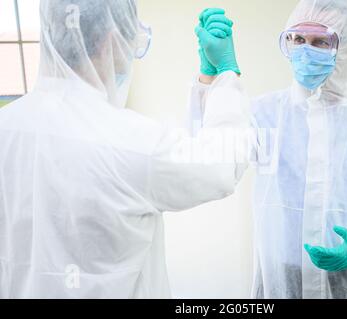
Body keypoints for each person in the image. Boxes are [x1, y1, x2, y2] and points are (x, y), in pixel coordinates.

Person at [0, 0, 249, 298]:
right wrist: (225, 74)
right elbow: (219, 165)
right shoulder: (133, 141)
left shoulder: (7, 126)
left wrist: (208, 82)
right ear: (110, 41)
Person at [191, 0, 347, 299]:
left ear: (345, 47)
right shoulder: (264, 114)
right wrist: (211, 79)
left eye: (320, 41)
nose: (305, 50)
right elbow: (210, 156)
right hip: (278, 286)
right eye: (297, 39)